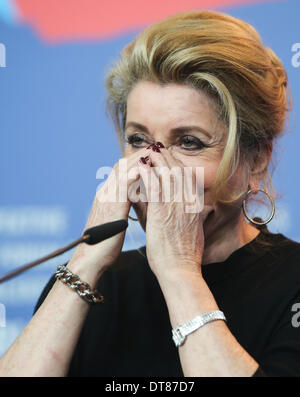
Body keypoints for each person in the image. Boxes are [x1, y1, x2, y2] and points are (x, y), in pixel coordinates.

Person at [1, 9, 300, 377]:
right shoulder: (99, 282)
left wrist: (178, 271)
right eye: (138, 140)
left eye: (189, 142)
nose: (155, 170)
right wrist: (85, 263)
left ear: (255, 159)